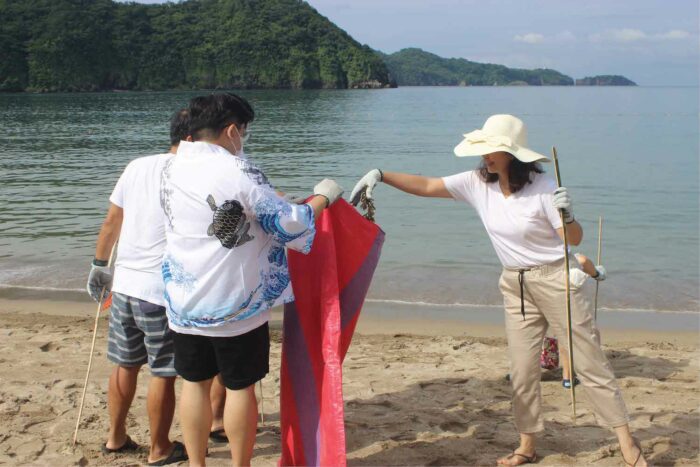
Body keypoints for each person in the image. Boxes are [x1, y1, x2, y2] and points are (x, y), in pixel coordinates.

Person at [349, 114, 646, 467]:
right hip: (514, 285)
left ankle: (627, 441)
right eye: (484, 149)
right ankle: (527, 445)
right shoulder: (478, 182)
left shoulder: (544, 187)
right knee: (522, 370)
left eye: (493, 149)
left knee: (589, 362)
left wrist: (567, 215)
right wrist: (381, 175)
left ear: (512, 153)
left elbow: (573, 239)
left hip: (555, 280)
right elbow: (429, 185)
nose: (486, 156)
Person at [160, 92, 343, 466]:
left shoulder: (170, 167)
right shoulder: (239, 170)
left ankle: (197, 463)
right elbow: (287, 222)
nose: (243, 140)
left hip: (185, 300)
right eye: (244, 132)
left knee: (193, 384)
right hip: (235, 301)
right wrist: (322, 198)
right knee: (240, 387)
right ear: (231, 130)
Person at [86, 109, 191, 465]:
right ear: (192, 139)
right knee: (163, 370)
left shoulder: (136, 165)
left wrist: (99, 266)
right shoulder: (192, 172)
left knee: (124, 364)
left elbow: (111, 222)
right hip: (160, 292)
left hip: (125, 286)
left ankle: (115, 437)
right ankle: (159, 447)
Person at [544, 253, 607, 388]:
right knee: (572, 329)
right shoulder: (555, 245)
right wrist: (596, 274)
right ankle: (568, 377)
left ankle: (519, 373)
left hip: (528, 281)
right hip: (560, 286)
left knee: (535, 329)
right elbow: (582, 261)